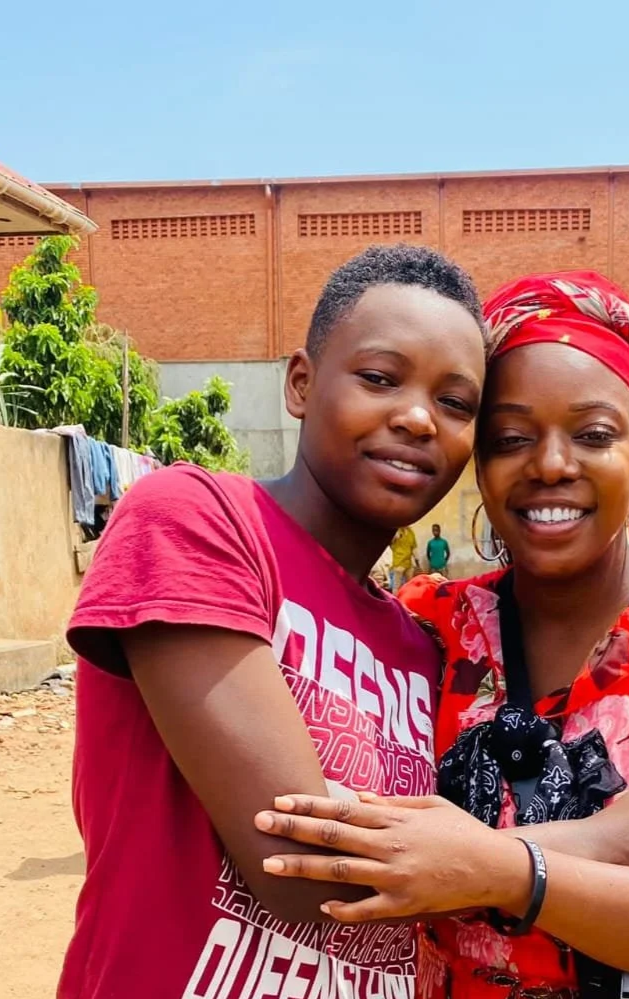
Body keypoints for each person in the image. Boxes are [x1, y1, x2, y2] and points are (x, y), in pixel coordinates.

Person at [255, 271, 629, 996]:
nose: (551, 464)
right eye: (512, 437)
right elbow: (354, 845)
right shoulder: (426, 626)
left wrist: (497, 868)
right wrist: (600, 844)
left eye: (592, 434)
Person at [56, 245, 491, 999]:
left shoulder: (422, 647)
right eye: (380, 378)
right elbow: (299, 867)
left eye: (455, 403)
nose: (419, 417)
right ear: (300, 383)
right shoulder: (197, 520)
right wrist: (586, 853)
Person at [389, 524, 419, 591]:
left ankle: (407, 600)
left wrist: (417, 563)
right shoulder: (396, 531)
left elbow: (414, 547)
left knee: (409, 586)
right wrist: (395, 537)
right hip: (399, 563)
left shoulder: (411, 532)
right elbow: (390, 543)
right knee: (397, 586)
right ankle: (395, 600)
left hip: (408, 563)